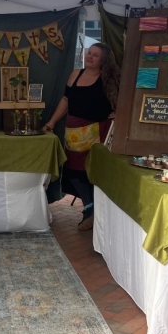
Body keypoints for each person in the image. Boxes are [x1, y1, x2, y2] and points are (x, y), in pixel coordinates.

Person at [43, 42, 121, 230]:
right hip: (74, 132)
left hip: (98, 132)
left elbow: (121, 101)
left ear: (103, 60)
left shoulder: (108, 79)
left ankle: (91, 211)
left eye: (95, 55)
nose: (90, 56)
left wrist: (118, 113)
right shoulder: (75, 74)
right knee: (73, 172)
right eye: (89, 53)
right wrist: (51, 122)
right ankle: (91, 208)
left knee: (92, 172)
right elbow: (65, 100)